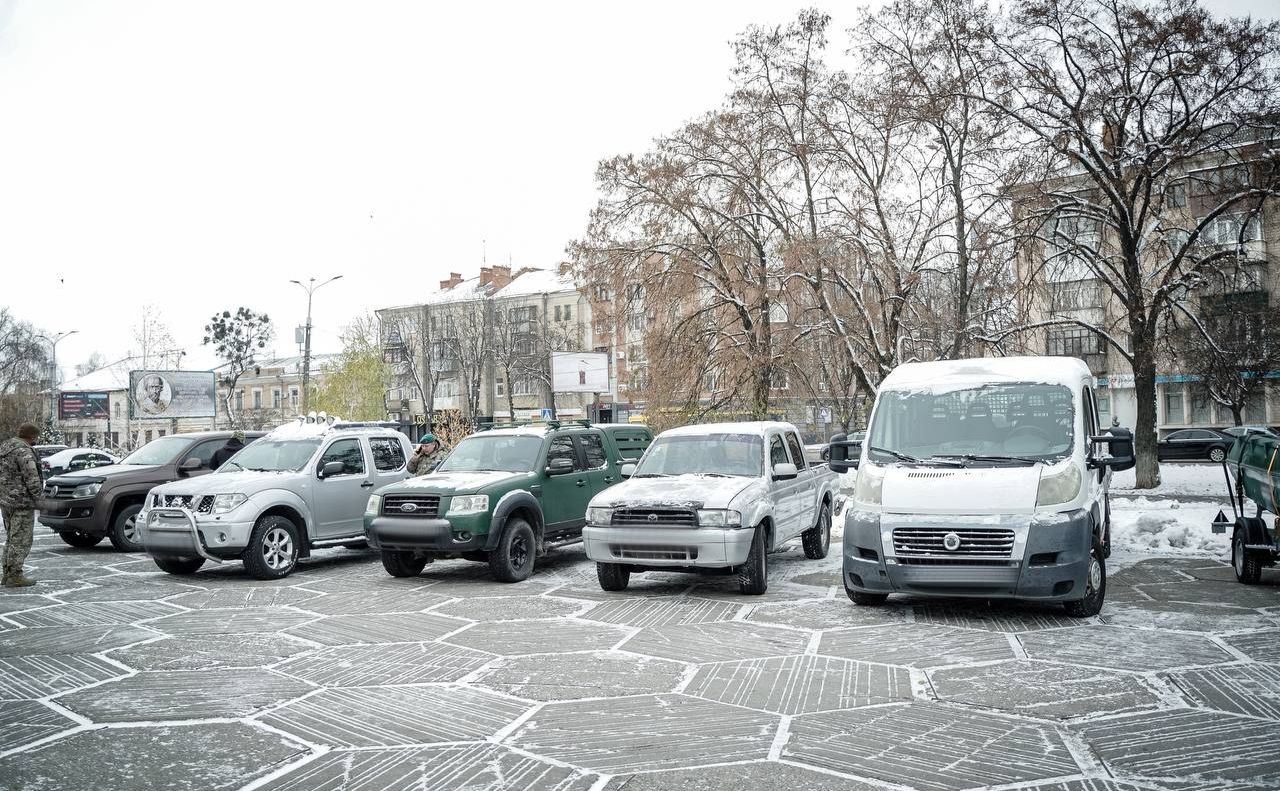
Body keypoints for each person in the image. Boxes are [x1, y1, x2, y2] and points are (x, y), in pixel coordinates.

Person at [0, 423, 43, 587]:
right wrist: (39, 498)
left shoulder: (5, 447)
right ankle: (15, 576)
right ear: (31, 436)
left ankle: (7, 573)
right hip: (22, 502)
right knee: (22, 539)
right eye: (36, 437)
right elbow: (32, 478)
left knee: (11, 537)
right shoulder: (23, 451)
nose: (36, 441)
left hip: (6, 501)